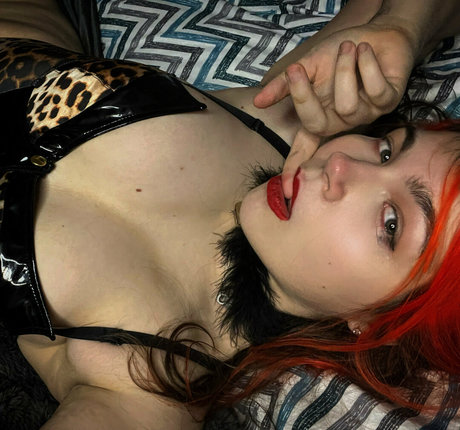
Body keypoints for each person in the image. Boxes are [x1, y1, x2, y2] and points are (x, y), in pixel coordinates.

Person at [0, 0, 459, 429]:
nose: (341, 164)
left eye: (391, 223)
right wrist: (401, 28)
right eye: (387, 150)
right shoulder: (292, 126)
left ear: (382, 324)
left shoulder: (147, 382)